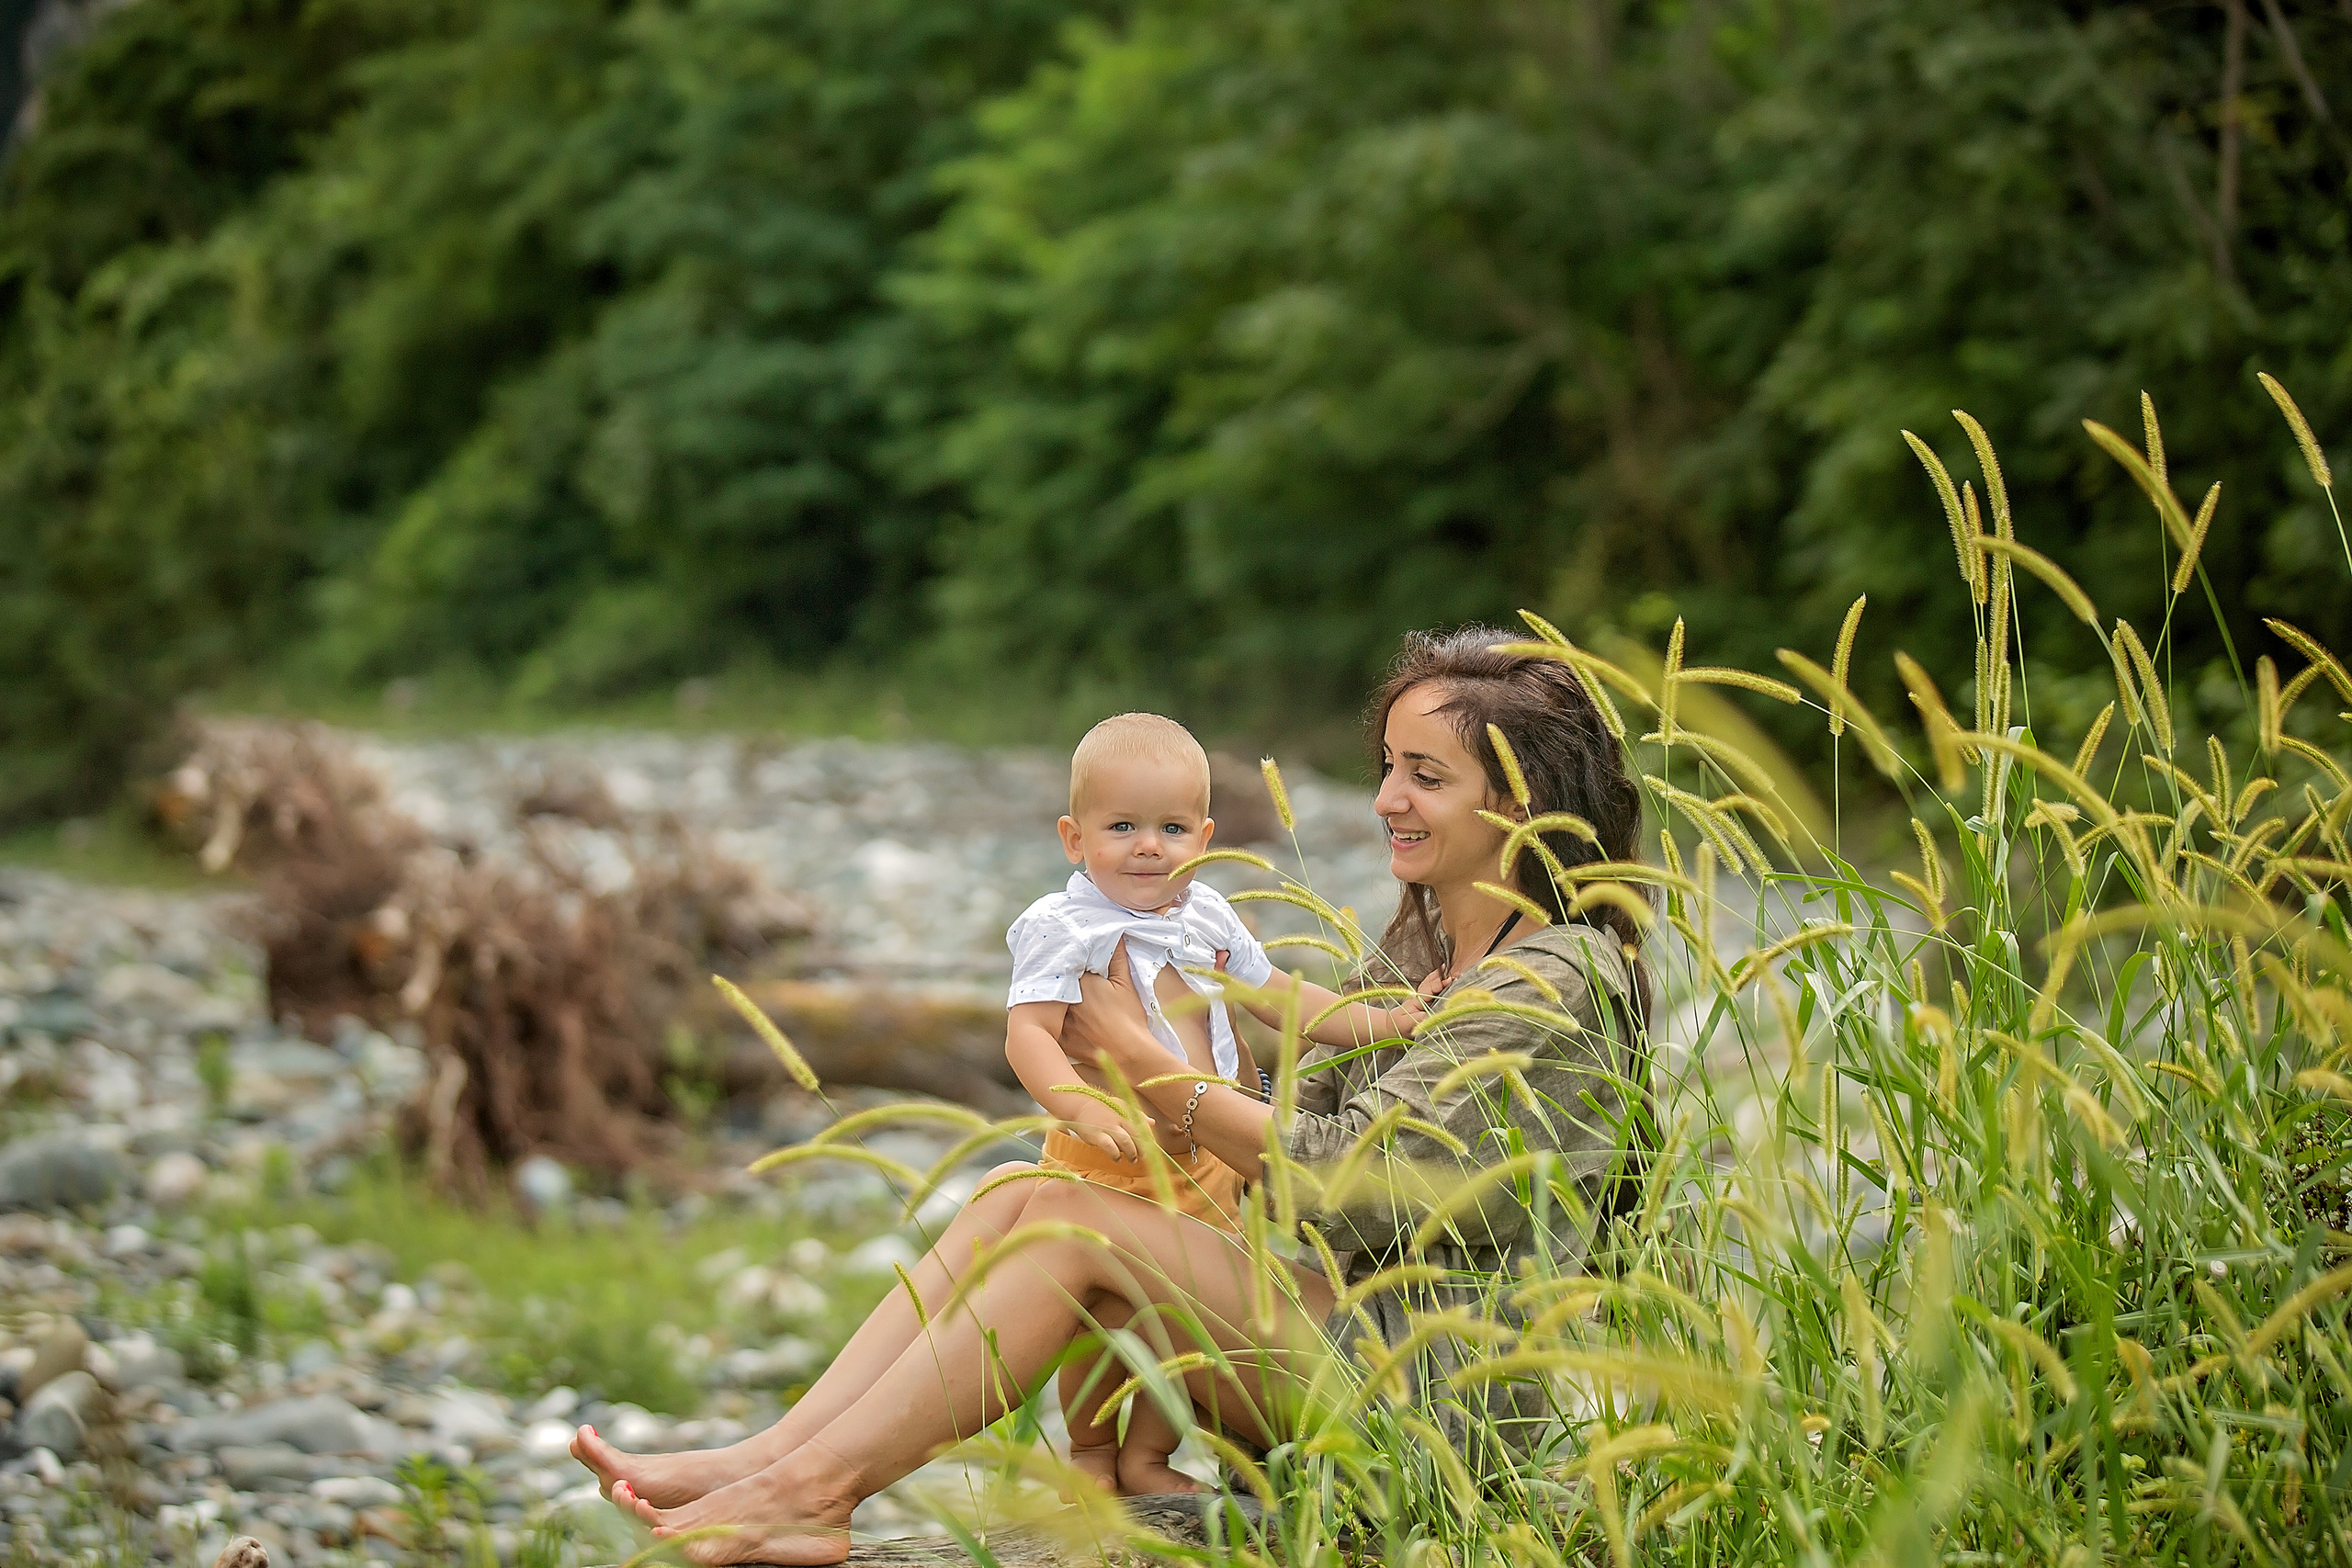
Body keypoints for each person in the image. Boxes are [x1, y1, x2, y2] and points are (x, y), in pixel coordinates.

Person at [571, 626, 1654, 1566]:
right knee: (1023, 1194)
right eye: (1386, 767)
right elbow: (1276, 1124)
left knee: (1071, 1228)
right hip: (1331, 1339)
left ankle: (816, 1494)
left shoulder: (1554, 978)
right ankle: (777, 1458)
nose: (1384, 800)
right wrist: (1148, 1089)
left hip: (1432, 1399)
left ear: (1518, 800)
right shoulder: (1417, 955)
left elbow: (1342, 1181)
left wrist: (1149, 1067)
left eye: (1424, 776)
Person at [1002, 710, 1422, 1493]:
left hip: (1207, 1162)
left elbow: (1283, 997)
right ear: (1073, 838)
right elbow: (1028, 1034)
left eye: (1170, 828)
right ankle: (1091, 1453)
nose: (1148, 846)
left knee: (1183, 1321)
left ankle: (1148, 1456)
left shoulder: (1208, 916)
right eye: (1121, 826)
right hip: (1109, 1156)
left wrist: (1385, 1022)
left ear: (1205, 837)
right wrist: (1082, 1109)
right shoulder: (1065, 926)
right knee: (1097, 1315)